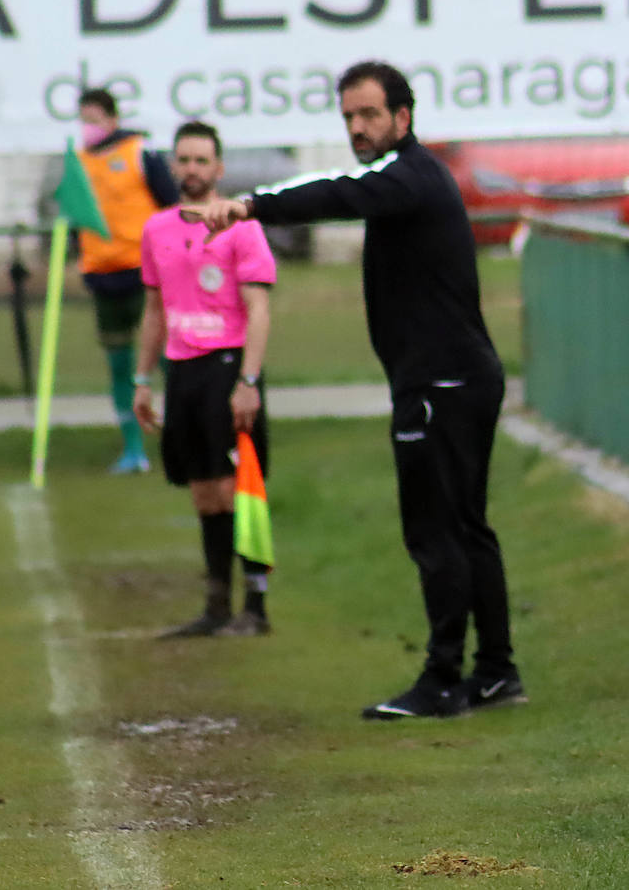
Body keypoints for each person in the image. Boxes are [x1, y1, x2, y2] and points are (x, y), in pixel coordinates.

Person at [184, 60, 522, 720]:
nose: (358, 127)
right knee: (466, 529)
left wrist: (251, 206)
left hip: (442, 384)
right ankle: (497, 672)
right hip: (455, 377)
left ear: (403, 117)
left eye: (369, 114)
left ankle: (445, 679)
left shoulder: (408, 176)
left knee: (438, 534)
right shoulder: (405, 178)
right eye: (348, 117)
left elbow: (336, 193)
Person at [132, 120, 275, 638]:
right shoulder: (157, 229)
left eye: (201, 161)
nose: (191, 169)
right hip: (183, 372)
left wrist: (249, 380)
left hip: (228, 367)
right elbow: (154, 309)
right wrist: (142, 379)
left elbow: (258, 310)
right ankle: (216, 606)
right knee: (202, 491)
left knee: (239, 487)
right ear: (173, 166)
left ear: (219, 168)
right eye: (184, 160)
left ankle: (255, 608)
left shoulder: (242, 226)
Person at [76, 87, 179, 474]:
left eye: (94, 120)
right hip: (103, 276)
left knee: (167, 358)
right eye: (83, 120)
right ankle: (133, 448)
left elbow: (170, 205)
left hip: (145, 273)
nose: (88, 128)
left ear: (112, 120)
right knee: (119, 364)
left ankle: (186, 432)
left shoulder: (139, 154)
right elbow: (76, 216)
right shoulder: (79, 164)